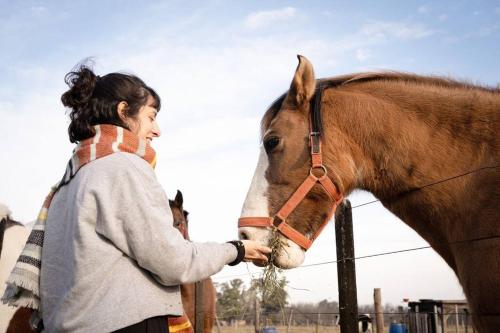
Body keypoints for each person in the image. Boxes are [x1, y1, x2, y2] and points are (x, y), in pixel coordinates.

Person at [4, 64, 271, 333]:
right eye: (151, 117)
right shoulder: (122, 167)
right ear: (123, 112)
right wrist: (235, 250)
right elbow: (174, 262)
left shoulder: (64, 186)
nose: (157, 130)